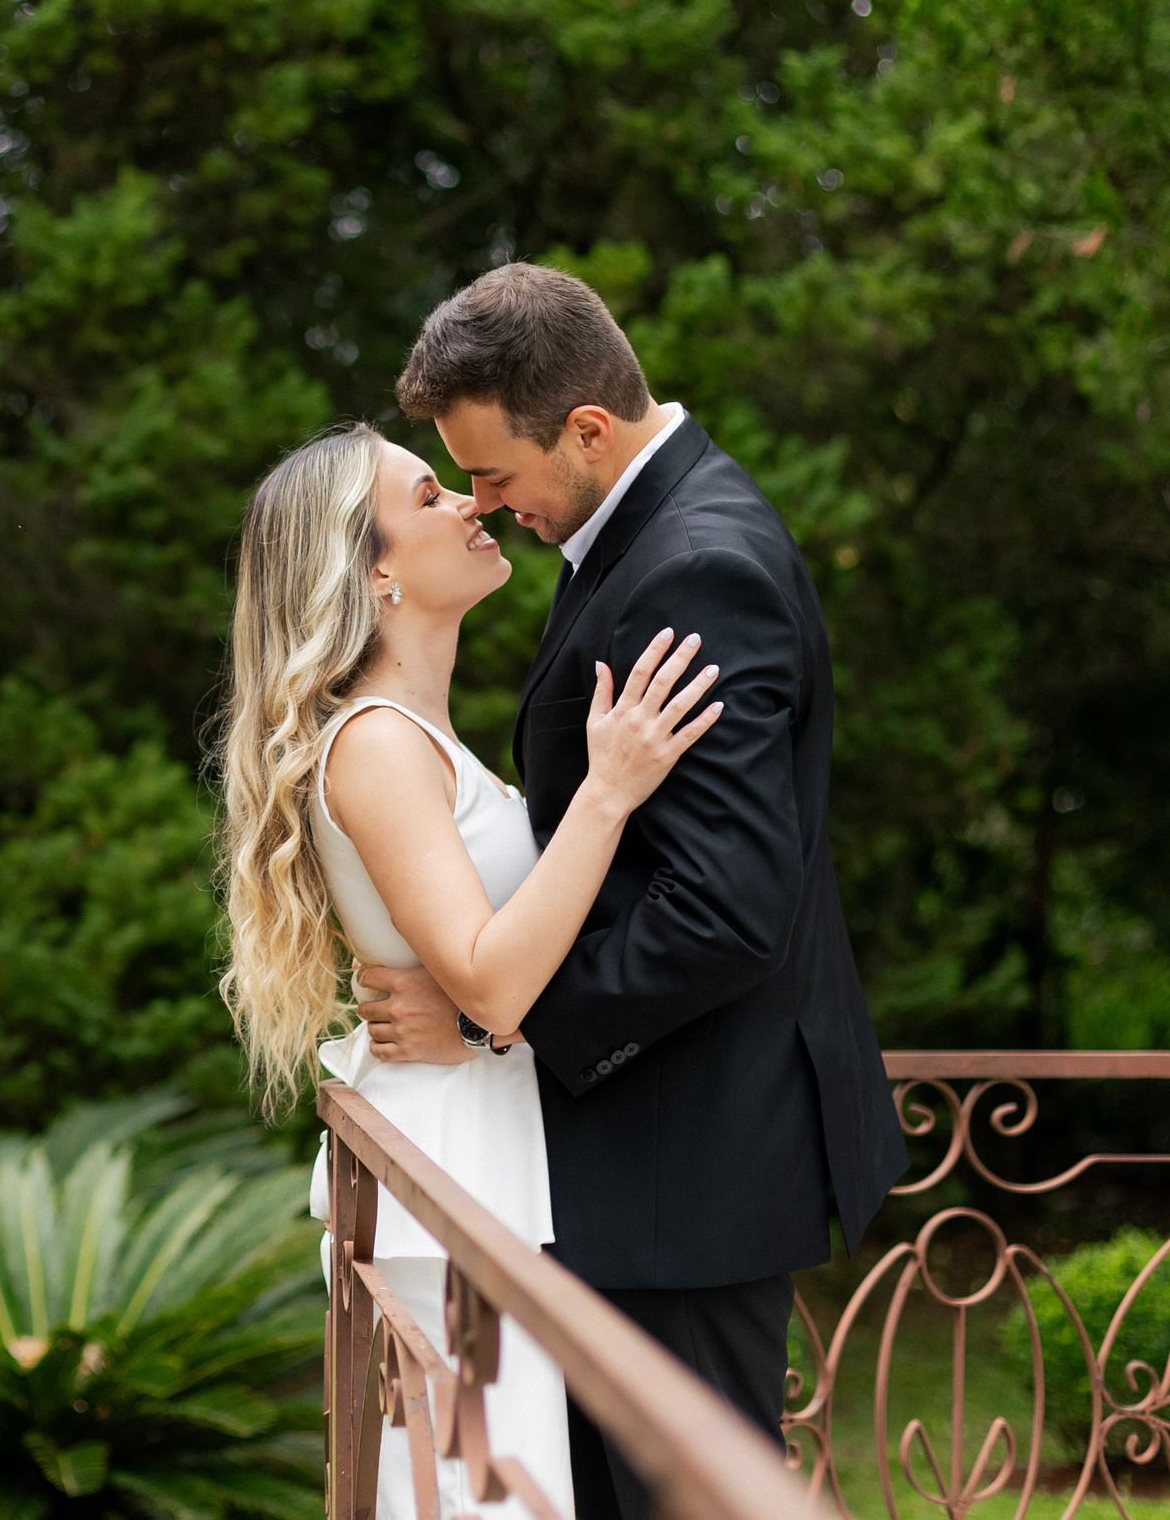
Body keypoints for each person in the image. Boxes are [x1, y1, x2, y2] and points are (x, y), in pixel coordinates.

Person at [360, 262, 909, 1520]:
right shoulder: (636, 532)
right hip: (650, 1156)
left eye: (494, 476)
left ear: (588, 430)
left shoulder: (692, 567)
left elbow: (723, 910)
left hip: (687, 1168)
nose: (487, 508)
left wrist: (503, 1022)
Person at [216, 424, 722, 1520]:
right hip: (451, 1197)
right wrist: (608, 788)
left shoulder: (421, 738)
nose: (471, 506)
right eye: (430, 492)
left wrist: (477, 1015)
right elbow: (493, 982)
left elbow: (478, 987)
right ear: (374, 570)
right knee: (486, 1500)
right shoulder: (380, 743)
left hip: (486, 1175)